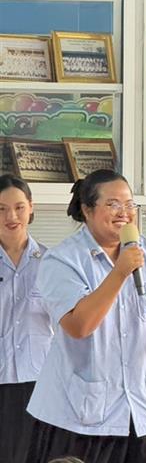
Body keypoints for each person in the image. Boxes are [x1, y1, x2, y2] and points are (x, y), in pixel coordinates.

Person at [25, 169, 146, 463]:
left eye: (129, 204)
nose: (124, 213)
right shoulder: (61, 259)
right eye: (113, 204)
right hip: (80, 418)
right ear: (87, 209)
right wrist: (120, 272)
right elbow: (79, 325)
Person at [0, 175, 52, 463]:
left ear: (31, 208)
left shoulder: (53, 261)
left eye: (19, 207)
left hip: (40, 383)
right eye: (1, 208)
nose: (11, 216)